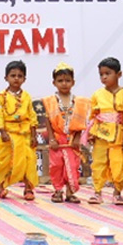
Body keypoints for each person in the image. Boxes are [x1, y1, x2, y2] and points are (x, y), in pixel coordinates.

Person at [42, 62, 89, 204]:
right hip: (57, 139)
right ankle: (57, 191)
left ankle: (70, 192)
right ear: (54, 82)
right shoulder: (50, 101)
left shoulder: (79, 101)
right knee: (56, 166)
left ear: (73, 82)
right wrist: (51, 139)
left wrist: (77, 138)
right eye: (60, 81)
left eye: (67, 80)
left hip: (72, 140)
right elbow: (48, 121)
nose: (64, 84)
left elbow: (81, 122)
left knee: (73, 166)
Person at [85, 57, 123, 205]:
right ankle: (97, 192)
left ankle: (117, 192)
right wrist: (91, 133)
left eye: (108, 73)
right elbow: (93, 116)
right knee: (98, 163)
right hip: (101, 134)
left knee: (119, 164)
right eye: (101, 74)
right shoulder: (97, 94)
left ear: (119, 74)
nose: (104, 77)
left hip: (119, 135)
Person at [0, 60, 38, 200]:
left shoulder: (27, 96)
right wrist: (2, 132)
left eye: (20, 76)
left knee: (28, 162)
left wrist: (33, 135)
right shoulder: (1, 96)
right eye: (13, 75)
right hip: (9, 135)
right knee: (6, 162)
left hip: (24, 134)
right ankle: (1, 187)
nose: (16, 78)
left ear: (24, 79)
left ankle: (28, 189)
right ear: (6, 78)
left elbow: (32, 116)